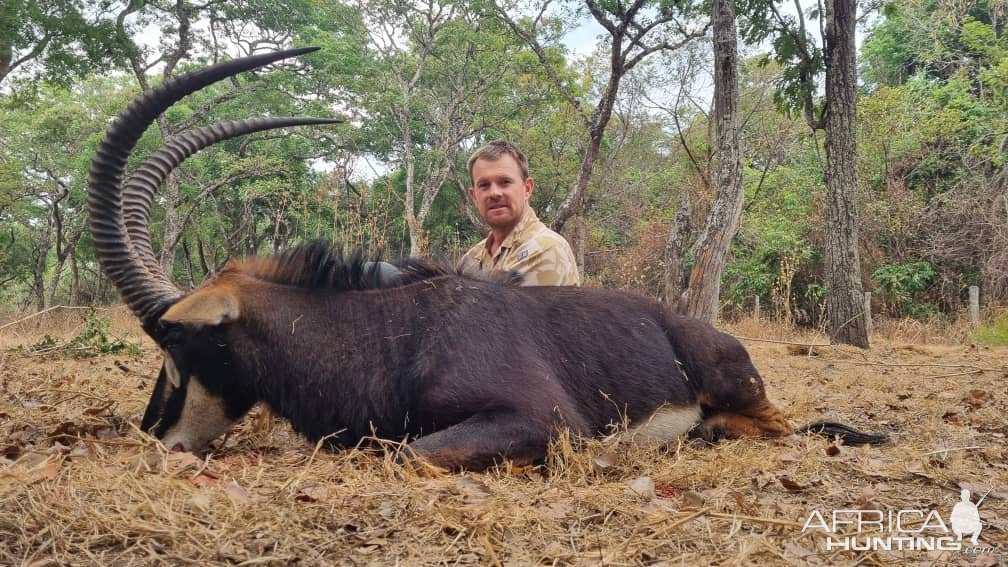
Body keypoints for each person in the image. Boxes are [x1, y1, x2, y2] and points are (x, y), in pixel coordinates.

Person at [458, 140, 580, 286]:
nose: (494, 193)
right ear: (474, 196)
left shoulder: (545, 250)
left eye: (505, 182)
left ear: (527, 188)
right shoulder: (470, 260)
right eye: (484, 185)